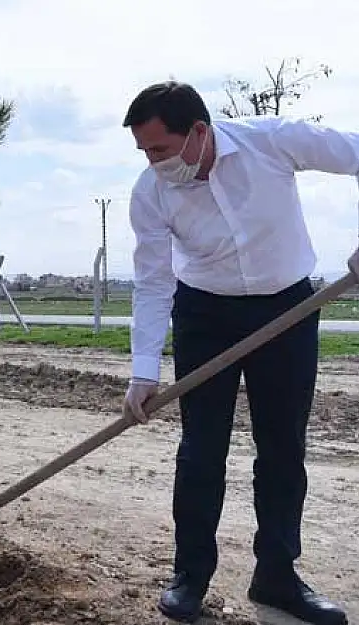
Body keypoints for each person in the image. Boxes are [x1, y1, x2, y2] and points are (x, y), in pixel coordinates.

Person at [121, 80, 352, 625]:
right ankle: (190, 575)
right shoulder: (149, 192)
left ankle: (277, 576)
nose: (153, 163)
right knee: (201, 450)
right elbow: (153, 283)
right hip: (205, 315)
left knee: (282, 447)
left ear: (199, 132)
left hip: (288, 311)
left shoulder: (273, 141)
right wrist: (142, 370)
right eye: (143, 152)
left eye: (160, 149)